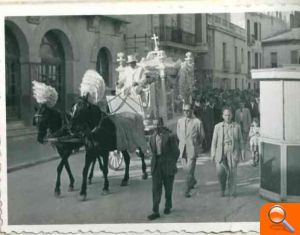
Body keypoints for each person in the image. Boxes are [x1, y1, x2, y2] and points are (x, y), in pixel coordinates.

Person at [147, 117, 180, 220]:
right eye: (154, 124)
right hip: (156, 165)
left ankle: (168, 206)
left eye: (158, 124)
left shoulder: (170, 136)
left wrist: (171, 163)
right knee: (155, 189)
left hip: (167, 164)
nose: (156, 127)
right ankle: (155, 211)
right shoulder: (152, 137)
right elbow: (152, 151)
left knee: (168, 188)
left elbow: (176, 152)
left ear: (162, 124)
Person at [211, 107, 245, 197]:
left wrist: (242, 151)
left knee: (232, 172)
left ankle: (232, 191)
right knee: (221, 172)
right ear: (222, 116)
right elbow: (214, 142)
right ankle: (222, 189)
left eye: (229, 115)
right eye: (225, 115)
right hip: (221, 152)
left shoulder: (237, 126)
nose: (228, 117)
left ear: (232, 115)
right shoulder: (217, 127)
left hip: (233, 151)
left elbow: (241, 140)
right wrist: (213, 154)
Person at [177, 103, 205, 198]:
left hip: (192, 149)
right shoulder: (180, 121)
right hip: (182, 149)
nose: (186, 112)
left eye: (188, 110)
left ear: (192, 110)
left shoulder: (197, 122)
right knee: (186, 170)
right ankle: (192, 180)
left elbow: (201, 136)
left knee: (189, 171)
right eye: (184, 110)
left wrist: (196, 144)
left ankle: (187, 190)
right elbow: (178, 134)